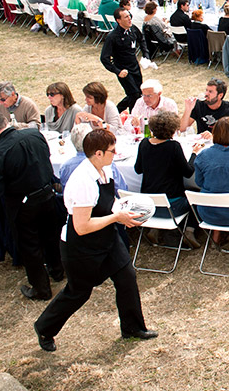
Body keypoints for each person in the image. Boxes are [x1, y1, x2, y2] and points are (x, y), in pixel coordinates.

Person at [34, 128, 155, 353]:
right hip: (81, 246)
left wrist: (124, 214)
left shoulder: (104, 169)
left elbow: (109, 202)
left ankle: (132, 327)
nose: (115, 153)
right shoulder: (83, 181)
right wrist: (117, 218)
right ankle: (44, 328)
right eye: (112, 150)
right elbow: (82, 226)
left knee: (126, 276)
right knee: (78, 292)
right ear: (97, 153)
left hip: (107, 237)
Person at [0, 109, 64, 301]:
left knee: (30, 246)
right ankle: (57, 271)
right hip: (47, 194)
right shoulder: (34, 134)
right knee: (51, 236)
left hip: (23, 204)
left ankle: (41, 289)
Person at [134, 110, 203, 247]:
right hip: (172, 206)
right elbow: (188, 172)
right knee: (197, 197)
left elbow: (137, 169)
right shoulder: (173, 147)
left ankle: (155, 229)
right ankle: (189, 230)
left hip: (148, 206)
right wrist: (194, 154)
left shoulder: (144, 144)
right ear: (173, 129)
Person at [100, 8, 146, 113]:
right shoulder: (112, 37)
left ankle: (115, 111)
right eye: (126, 17)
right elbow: (104, 58)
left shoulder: (133, 29)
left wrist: (146, 54)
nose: (129, 19)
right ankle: (131, 117)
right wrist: (117, 71)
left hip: (135, 67)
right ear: (118, 20)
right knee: (133, 94)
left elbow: (141, 39)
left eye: (129, 16)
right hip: (123, 70)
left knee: (137, 93)